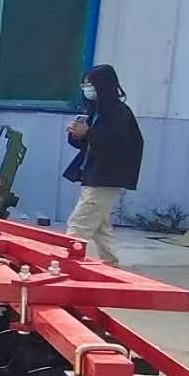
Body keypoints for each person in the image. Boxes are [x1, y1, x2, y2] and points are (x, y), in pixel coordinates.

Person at [63, 64, 143, 266]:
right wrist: (77, 134)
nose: (86, 88)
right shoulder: (97, 111)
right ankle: (111, 264)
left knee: (79, 224)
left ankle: (63, 265)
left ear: (103, 85)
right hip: (94, 175)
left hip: (106, 178)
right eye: (85, 83)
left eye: (90, 84)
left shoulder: (119, 113)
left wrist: (87, 134)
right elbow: (90, 143)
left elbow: (116, 144)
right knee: (101, 228)